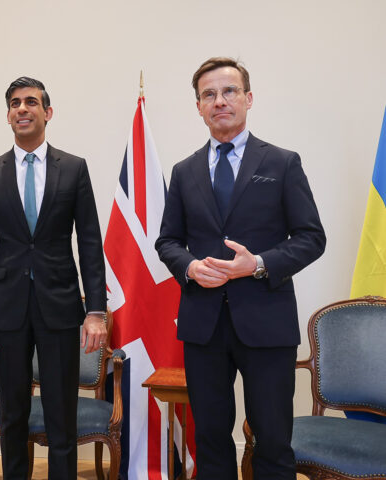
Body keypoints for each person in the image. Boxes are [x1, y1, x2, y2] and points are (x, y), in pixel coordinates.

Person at [155, 57, 326, 479]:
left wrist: (260, 264)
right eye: (208, 95)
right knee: (211, 439)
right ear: (198, 106)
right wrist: (191, 266)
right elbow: (167, 242)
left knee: (272, 439)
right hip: (204, 326)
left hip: (266, 323)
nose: (220, 101)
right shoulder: (184, 171)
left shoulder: (283, 163)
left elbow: (311, 237)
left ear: (248, 98)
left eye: (229, 91)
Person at [0, 77, 107, 479]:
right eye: (14, 103)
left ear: (48, 112)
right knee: (13, 414)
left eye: (31, 102)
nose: (22, 109)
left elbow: (91, 244)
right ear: (8, 115)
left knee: (61, 415)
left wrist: (95, 310)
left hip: (61, 308)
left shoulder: (74, 169)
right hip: (5, 310)